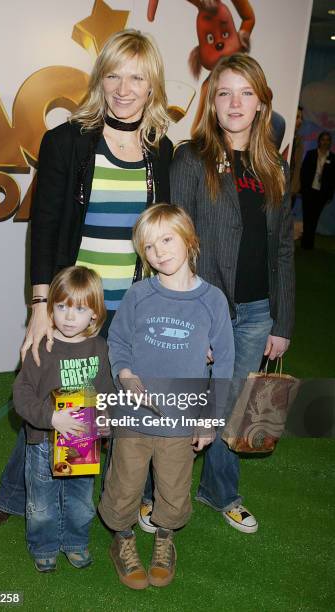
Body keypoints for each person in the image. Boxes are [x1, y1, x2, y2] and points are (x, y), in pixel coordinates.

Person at [0, 29, 173, 528]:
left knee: (116, 412)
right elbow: (42, 229)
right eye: (114, 76)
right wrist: (40, 308)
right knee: (64, 407)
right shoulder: (66, 141)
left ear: (153, 87)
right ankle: (17, 497)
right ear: (100, 79)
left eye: (137, 78)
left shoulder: (161, 151)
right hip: (78, 312)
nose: (124, 89)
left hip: (133, 311)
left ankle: (99, 510)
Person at [168, 53, 295, 534]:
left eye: (246, 93)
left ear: (262, 103)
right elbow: (175, 242)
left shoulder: (274, 167)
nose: (235, 102)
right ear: (212, 102)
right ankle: (153, 491)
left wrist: (282, 323)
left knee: (234, 404)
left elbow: (282, 249)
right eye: (224, 92)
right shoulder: (191, 158)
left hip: (258, 312)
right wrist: (191, 317)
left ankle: (220, 491)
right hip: (204, 307)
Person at [99, 203, 234, 589]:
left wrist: (210, 418)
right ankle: (122, 540)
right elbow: (120, 340)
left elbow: (223, 362)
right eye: (149, 247)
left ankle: (164, 539)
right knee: (124, 483)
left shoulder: (213, 301)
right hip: (134, 415)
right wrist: (124, 371)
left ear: (189, 238)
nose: (159, 252)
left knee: (174, 489)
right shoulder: (139, 294)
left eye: (166, 239)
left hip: (181, 418)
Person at [13, 266, 114, 572]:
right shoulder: (41, 346)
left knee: (80, 499)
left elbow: (108, 392)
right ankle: (43, 544)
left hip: (83, 440)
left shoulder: (100, 349)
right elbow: (21, 395)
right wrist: (51, 417)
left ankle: (75, 541)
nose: (70, 317)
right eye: (62, 307)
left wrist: (106, 419)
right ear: (50, 308)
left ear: (94, 315)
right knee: (42, 502)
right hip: (43, 440)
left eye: (80, 309)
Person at [300, 131, 335, 249]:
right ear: (319, 141)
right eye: (323, 139)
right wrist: (303, 188)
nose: (325, 142)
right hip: (309, 190)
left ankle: (310, 242)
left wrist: (330, 194)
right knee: (307, 216)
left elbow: (333, 179)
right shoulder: (311, 154)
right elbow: (303, 172)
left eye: (327, 140)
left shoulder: (332, 158)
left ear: (330, 142)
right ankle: (305, 241)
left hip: (322, 193)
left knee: (315, 217)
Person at [290, 106, 304, 209]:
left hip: (290, 190)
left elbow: (297, 166)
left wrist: (295, 187)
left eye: (301, 118)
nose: (300, 121)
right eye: (298, 117)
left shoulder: (299, 140)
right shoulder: (279, 135)